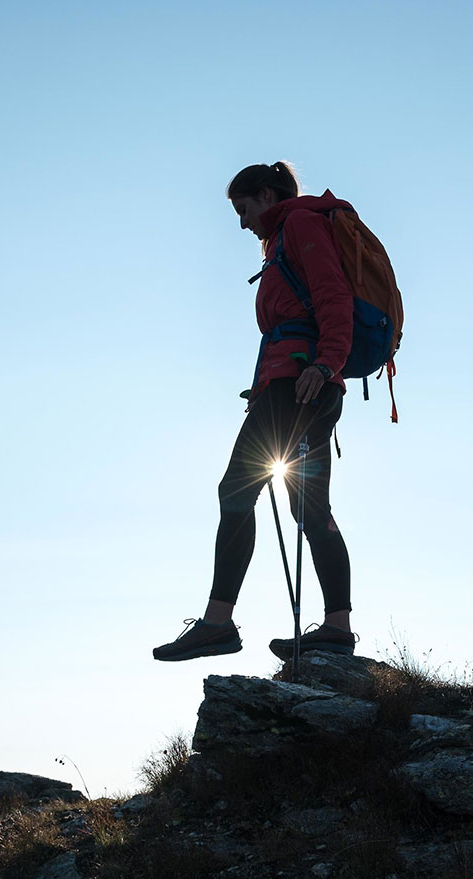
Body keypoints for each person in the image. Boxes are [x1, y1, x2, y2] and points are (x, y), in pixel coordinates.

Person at [153, 161, 359, 662]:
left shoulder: (300, 225)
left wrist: (325, 363)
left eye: (243, 210)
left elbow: (333, 296)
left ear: (266, 195)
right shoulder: (283, 238)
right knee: (308, 508)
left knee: (239, 490)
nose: (242, 223)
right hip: (293, 384)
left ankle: (218, 625)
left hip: (300, 385)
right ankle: (335, 629)